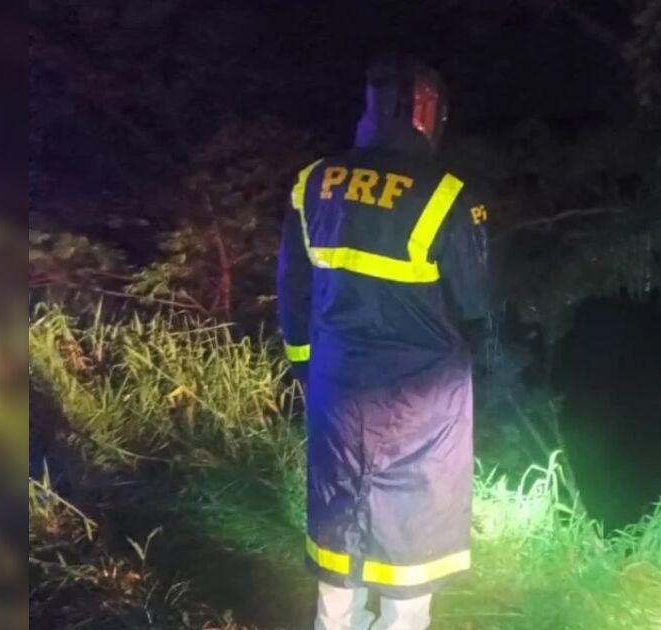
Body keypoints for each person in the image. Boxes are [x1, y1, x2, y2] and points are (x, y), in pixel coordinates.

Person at [277, 53, 490, 630]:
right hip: (423, 395)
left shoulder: (315, 181)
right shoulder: (447, 196)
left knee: (339, 501)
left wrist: (304, 364)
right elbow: (477, 302)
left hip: (338, 381)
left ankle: (334, 622)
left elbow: (293, 286)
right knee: (415, 523)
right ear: (428, 113)